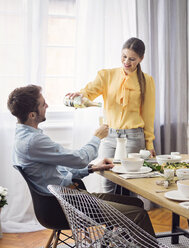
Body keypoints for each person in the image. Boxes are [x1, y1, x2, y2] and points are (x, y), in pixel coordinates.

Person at [8, 85, 155, 236]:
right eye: (43, 104)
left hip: (70, 197)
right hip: (67, 205)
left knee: (135, 203)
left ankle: (120, 244)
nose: (47, 106)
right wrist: (97, 137)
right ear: (32, 115)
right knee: (138, 214)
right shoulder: (33, 141)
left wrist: (91, 169)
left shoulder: (24, 137)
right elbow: (80, 159)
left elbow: (58, 171)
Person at [66, 37, 156, 193]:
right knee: (108, 180)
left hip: (134, 137)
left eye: (132, 59)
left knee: (130, 184)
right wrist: (79, 95)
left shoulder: (147, 81)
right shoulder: (106, 75)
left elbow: (148, 115)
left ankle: (130, 217)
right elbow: (90, 91)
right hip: (110, 136)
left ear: (141, 59)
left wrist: (149, 144)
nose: (126, 61)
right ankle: (110, 217)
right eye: (124, 56)